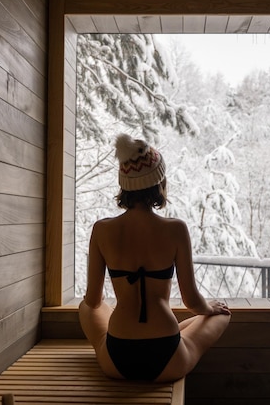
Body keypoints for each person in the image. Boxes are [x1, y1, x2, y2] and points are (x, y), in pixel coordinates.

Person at [79, 133, 231, 382]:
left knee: (86, 308)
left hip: (118, 360)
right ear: (159, 183)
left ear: (124, 186)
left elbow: (94, 301)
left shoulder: (102, 230)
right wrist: (208, 309)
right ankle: (181, 332)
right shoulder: (176, 229)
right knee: (221, 313)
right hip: (168, 358)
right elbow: (192, 300)